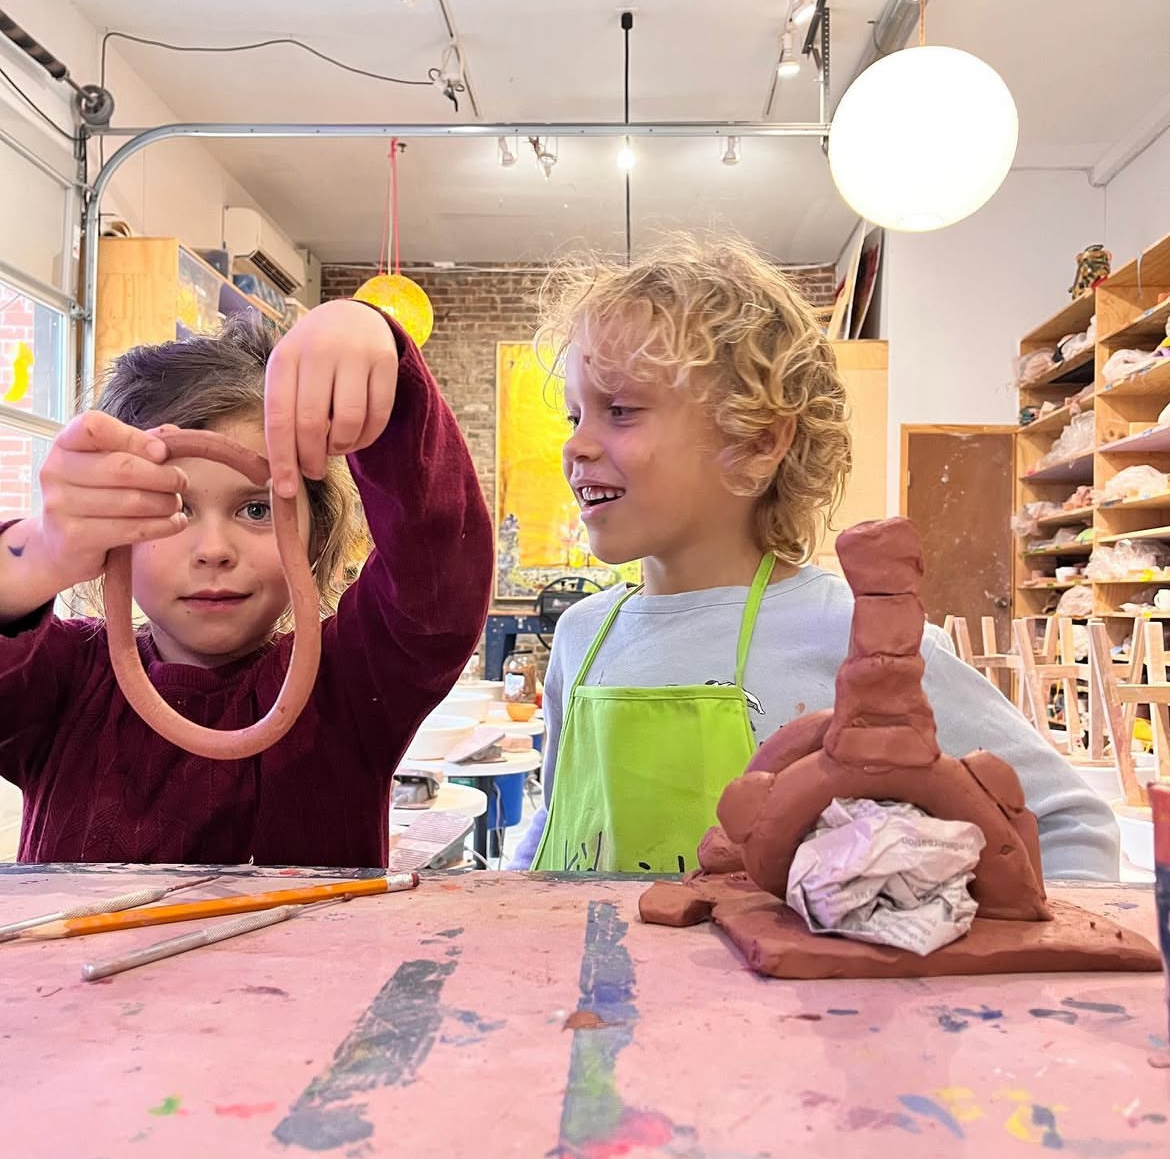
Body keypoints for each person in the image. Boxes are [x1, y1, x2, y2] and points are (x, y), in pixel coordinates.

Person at [512, 234, 1118, 879]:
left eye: (621, 410)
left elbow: (1068, 824)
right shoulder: (582, 636)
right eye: (574, 416)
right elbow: (559, 819)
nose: (576, 446)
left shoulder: (858, 638)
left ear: (757, 441)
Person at [0, 299, 493, 866]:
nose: (213, 550)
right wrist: (37, 552)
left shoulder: (350, 682)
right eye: (173, 508)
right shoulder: (58, 679)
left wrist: (380, 360)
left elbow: (438, 581)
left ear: (313, 531)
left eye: (257, 510)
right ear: (111, 532)